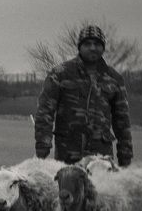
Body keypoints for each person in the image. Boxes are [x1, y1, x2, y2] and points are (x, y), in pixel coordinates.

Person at [34, 24, 133, 166]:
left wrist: (125, 156)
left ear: (103, 47)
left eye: (97, 44)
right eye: (87, 44)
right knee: (69, 187)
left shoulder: (114, 78)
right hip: (68, 153)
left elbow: (122, 121)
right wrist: (42, 145)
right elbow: (45, 112)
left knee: (101, 189)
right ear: (79, 47)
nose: (93, 47)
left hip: (101, 156)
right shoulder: (61, 74)